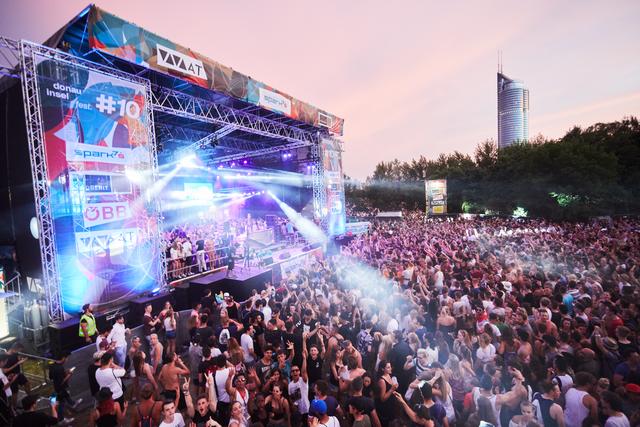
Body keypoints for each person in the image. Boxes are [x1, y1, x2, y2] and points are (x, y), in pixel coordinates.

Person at [49, 351, 81, 424]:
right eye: (67, 358)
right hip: (60, 388)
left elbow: (51, 377)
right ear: (63, 358)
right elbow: (62, 382)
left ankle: (73, 404)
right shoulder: (59, 368)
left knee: (66, 395)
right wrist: (69, 374)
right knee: (61, 403)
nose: (67, 360)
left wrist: (65, 372)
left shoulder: (52, 366)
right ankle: (61, 419)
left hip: (56, 387)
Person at [4, 341, 30, 409]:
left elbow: (17, 360)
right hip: (11, 376)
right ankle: (14, 408)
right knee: (15, 392)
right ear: (15, 348)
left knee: (27, 383)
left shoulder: (15, 354)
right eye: (19, 350)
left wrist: (20, 360)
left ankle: (29, 398)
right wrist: (18, 363)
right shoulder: (5, 356)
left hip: (18, 373)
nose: (19, 352)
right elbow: (5, 370)